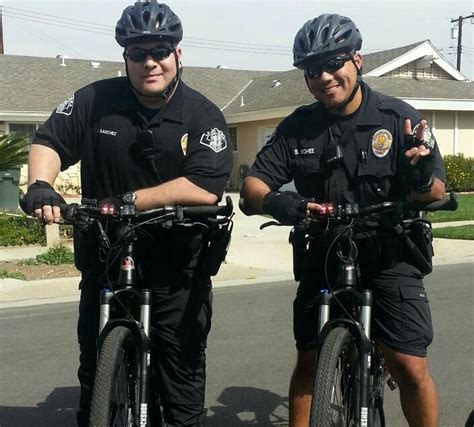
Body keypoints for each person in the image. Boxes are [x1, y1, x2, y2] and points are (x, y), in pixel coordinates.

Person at [22, 1, 233, 425]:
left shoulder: (202, 114)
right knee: (95, 375)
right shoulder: (94, 99)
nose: (150, 62)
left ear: (178, 54)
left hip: (177, 268)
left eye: (160, 51)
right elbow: (48, 140)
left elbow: (205, 185)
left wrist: (130, 201)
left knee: (181, 387)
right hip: (105, 259)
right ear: (126, 58)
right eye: (138, 54)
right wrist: (41, 184)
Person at [240, 14, 445, 427]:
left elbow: (436, 191)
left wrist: (419, 175)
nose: (325, 77)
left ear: (357, 60)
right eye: (313, 70)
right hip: (324, 251)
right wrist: (285, 204)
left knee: (409, 365)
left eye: (334, 63)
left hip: (390, 251)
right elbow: (253, 187)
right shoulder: (298, 127)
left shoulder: (396, 116)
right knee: (310, 361)